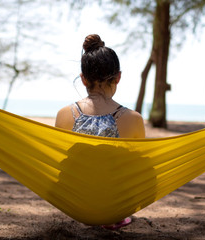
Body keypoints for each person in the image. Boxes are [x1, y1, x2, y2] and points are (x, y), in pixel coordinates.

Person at [55, 34, 145, 229]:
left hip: (75, 203)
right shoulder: (134, 119)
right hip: (116, 206)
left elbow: (59, 162)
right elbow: (137, 169)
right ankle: (115, 218)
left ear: (83, 79)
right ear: (118, 77)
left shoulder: (63, 114)